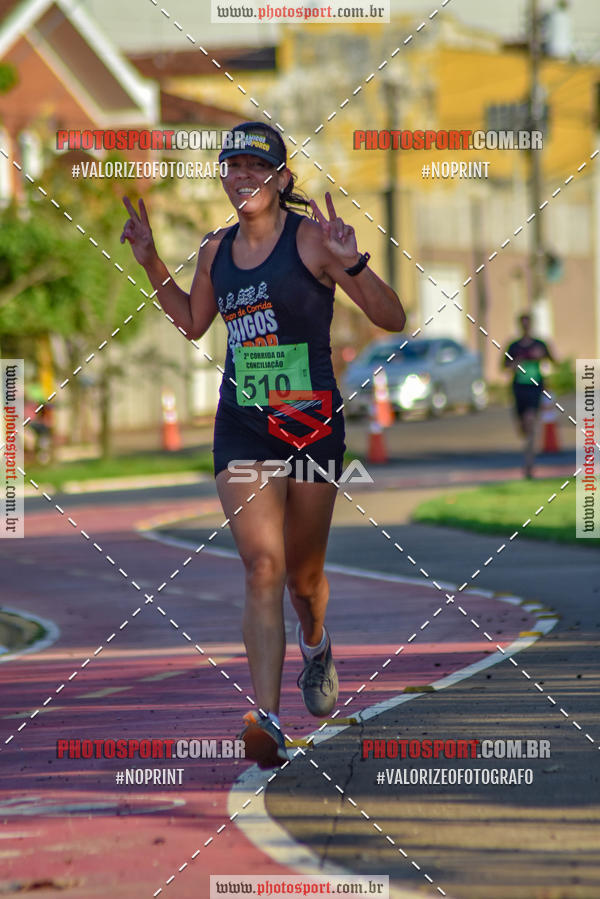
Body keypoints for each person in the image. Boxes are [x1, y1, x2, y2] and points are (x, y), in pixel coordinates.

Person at [121, 121, 406, 768]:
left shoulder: (312, 240)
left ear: (280, 180)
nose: (243, 177)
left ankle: (315, 637)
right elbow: (194, 324)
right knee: (262, 567)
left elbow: (392, 318)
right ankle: (270, 720)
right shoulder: (215, 250)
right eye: (233, 166)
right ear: (222, 176)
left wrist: (353, 259)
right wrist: (150, 263)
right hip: (243, 425)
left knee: (304, 581)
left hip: (309, 426)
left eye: (257, 167)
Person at [503, 312, 557, 479]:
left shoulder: (539, 344)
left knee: (531, 421)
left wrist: (541, 356)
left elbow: (554, 361)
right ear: (520, 326)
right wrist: (516, 363)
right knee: (523, 427)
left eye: (528, 323)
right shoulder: (514, 346)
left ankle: (529, 465)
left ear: (531, 325)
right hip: (519, 388)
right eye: (523, 324)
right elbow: (504, 366)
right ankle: (527, 447)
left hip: (535, 387)